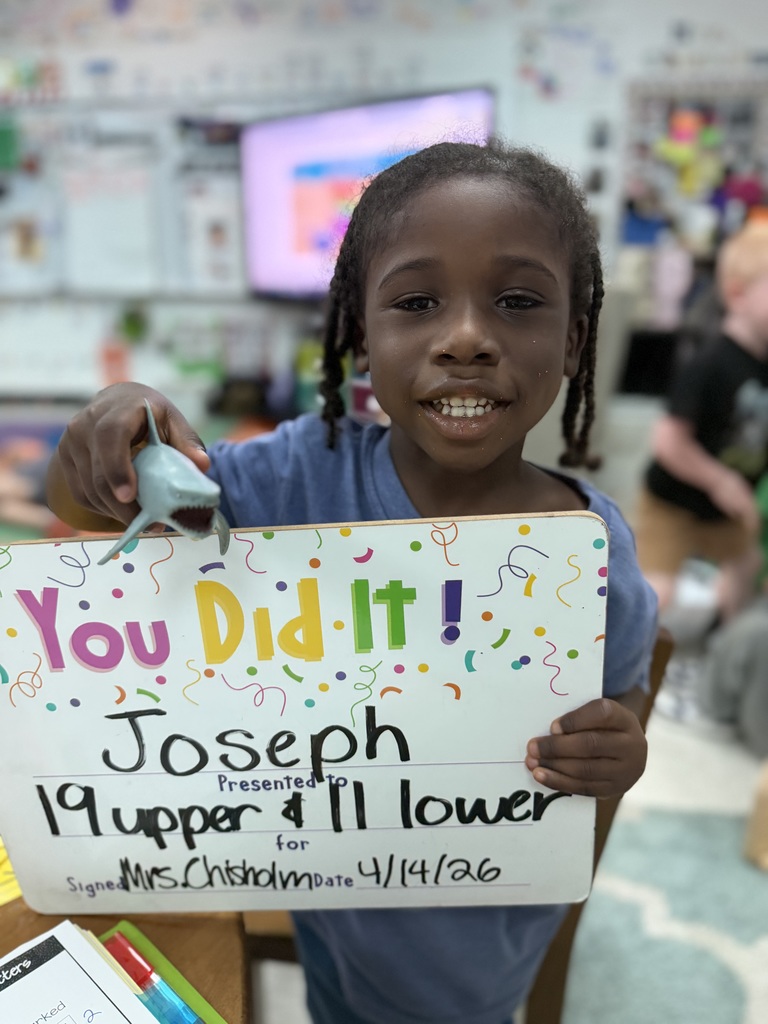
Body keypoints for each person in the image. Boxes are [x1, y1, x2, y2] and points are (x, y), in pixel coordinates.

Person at [47, 140, 658, 1024]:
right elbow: (94, 510)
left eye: (518, 302)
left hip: (472, 956)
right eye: (417, 303)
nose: (467, 338)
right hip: (325, 891)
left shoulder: (590, 549)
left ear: (571, 338)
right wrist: (101, 441)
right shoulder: (298, 475)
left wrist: (621, 754)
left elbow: (623, 703)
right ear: (365, 333)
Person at [634, 223, 768, 623]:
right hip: (673, 502)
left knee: (747, 566)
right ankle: (625, 667)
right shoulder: (711, 363)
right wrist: (719, 480)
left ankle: (723, 649)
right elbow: (669, 442)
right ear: (738, 295)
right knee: (657, 590)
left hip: (725, 510)